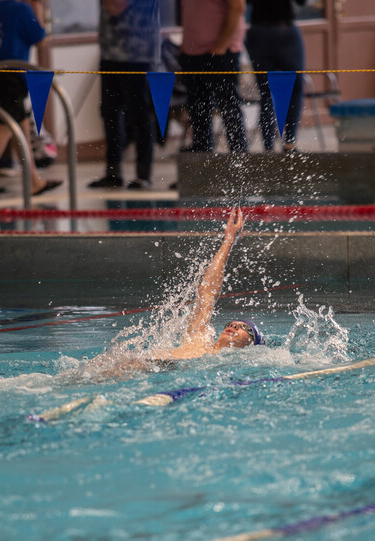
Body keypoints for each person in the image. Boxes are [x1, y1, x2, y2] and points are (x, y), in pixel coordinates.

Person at [0, 0, 62, 200]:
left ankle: (34, 180)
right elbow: (41, 40)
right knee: (6, 127)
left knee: (22, 125)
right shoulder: (23, 9)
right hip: (13, 75)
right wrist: (38, 12)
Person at [147, 208, 265, 362]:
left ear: (251, 345)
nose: (234, 326)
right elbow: (207, 293)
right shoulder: (199, 341)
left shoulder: (231, 364)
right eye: (231, 324)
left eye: (246, 328)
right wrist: (228, 241)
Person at [88, 0, 161, 191]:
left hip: (137, 56)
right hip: (110, 55)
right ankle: (113, 173)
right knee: (110, 114)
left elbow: (116, 6)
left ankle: (143, 175)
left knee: (140, 117)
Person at [179, 0, 249, 154]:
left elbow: (237, 7)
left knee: (229, 107)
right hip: (192, 52)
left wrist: (220, 47)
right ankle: (202, 154)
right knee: (198, 109)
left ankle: (240, 159)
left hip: (221, 52)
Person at [245, 0, 306, 152]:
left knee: (269, 92)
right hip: (280, 28)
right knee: (291, 88)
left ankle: (271, 147)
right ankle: (287, 143)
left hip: (261, 29)